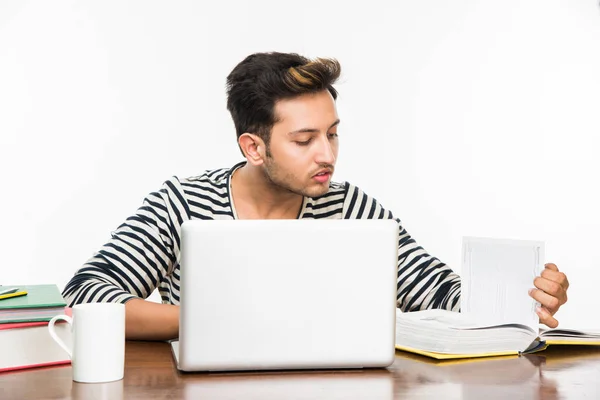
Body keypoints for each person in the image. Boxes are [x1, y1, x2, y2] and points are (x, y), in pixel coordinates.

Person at [62, 52, 569, 340]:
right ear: (253, 146)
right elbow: (86, 296)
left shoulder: (352, 208)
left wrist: (522, 301)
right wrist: (227, 319)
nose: (326, 154)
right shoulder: (181, 203)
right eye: (304, 141)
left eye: (332, 133)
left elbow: (439, 295)